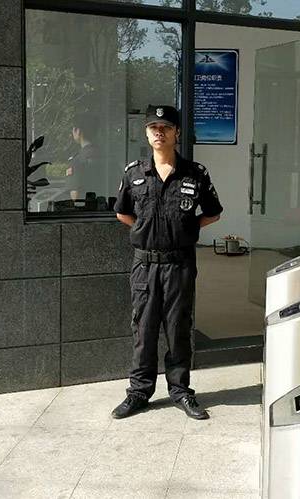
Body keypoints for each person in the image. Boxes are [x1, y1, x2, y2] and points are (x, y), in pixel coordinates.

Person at [112, 105, 223, 420]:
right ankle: (139, 392)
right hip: (145, 265)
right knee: (143, 329)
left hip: (179, 264)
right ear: (147, 134)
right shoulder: (134, 173)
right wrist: (145, 230)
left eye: (165, 128)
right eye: (153, 128)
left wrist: (186, 229)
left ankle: (180, 391)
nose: (159, 133)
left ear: (176, 133)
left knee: (178, 329)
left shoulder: (195, 173)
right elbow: (122, 213)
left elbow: (213, 213)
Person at [65, 113, 99, 205]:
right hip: (107, 208)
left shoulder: (77, 160)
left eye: (73, 130)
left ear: (78, 131)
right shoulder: (106, 155)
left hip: (86, 209)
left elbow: (75, 196)